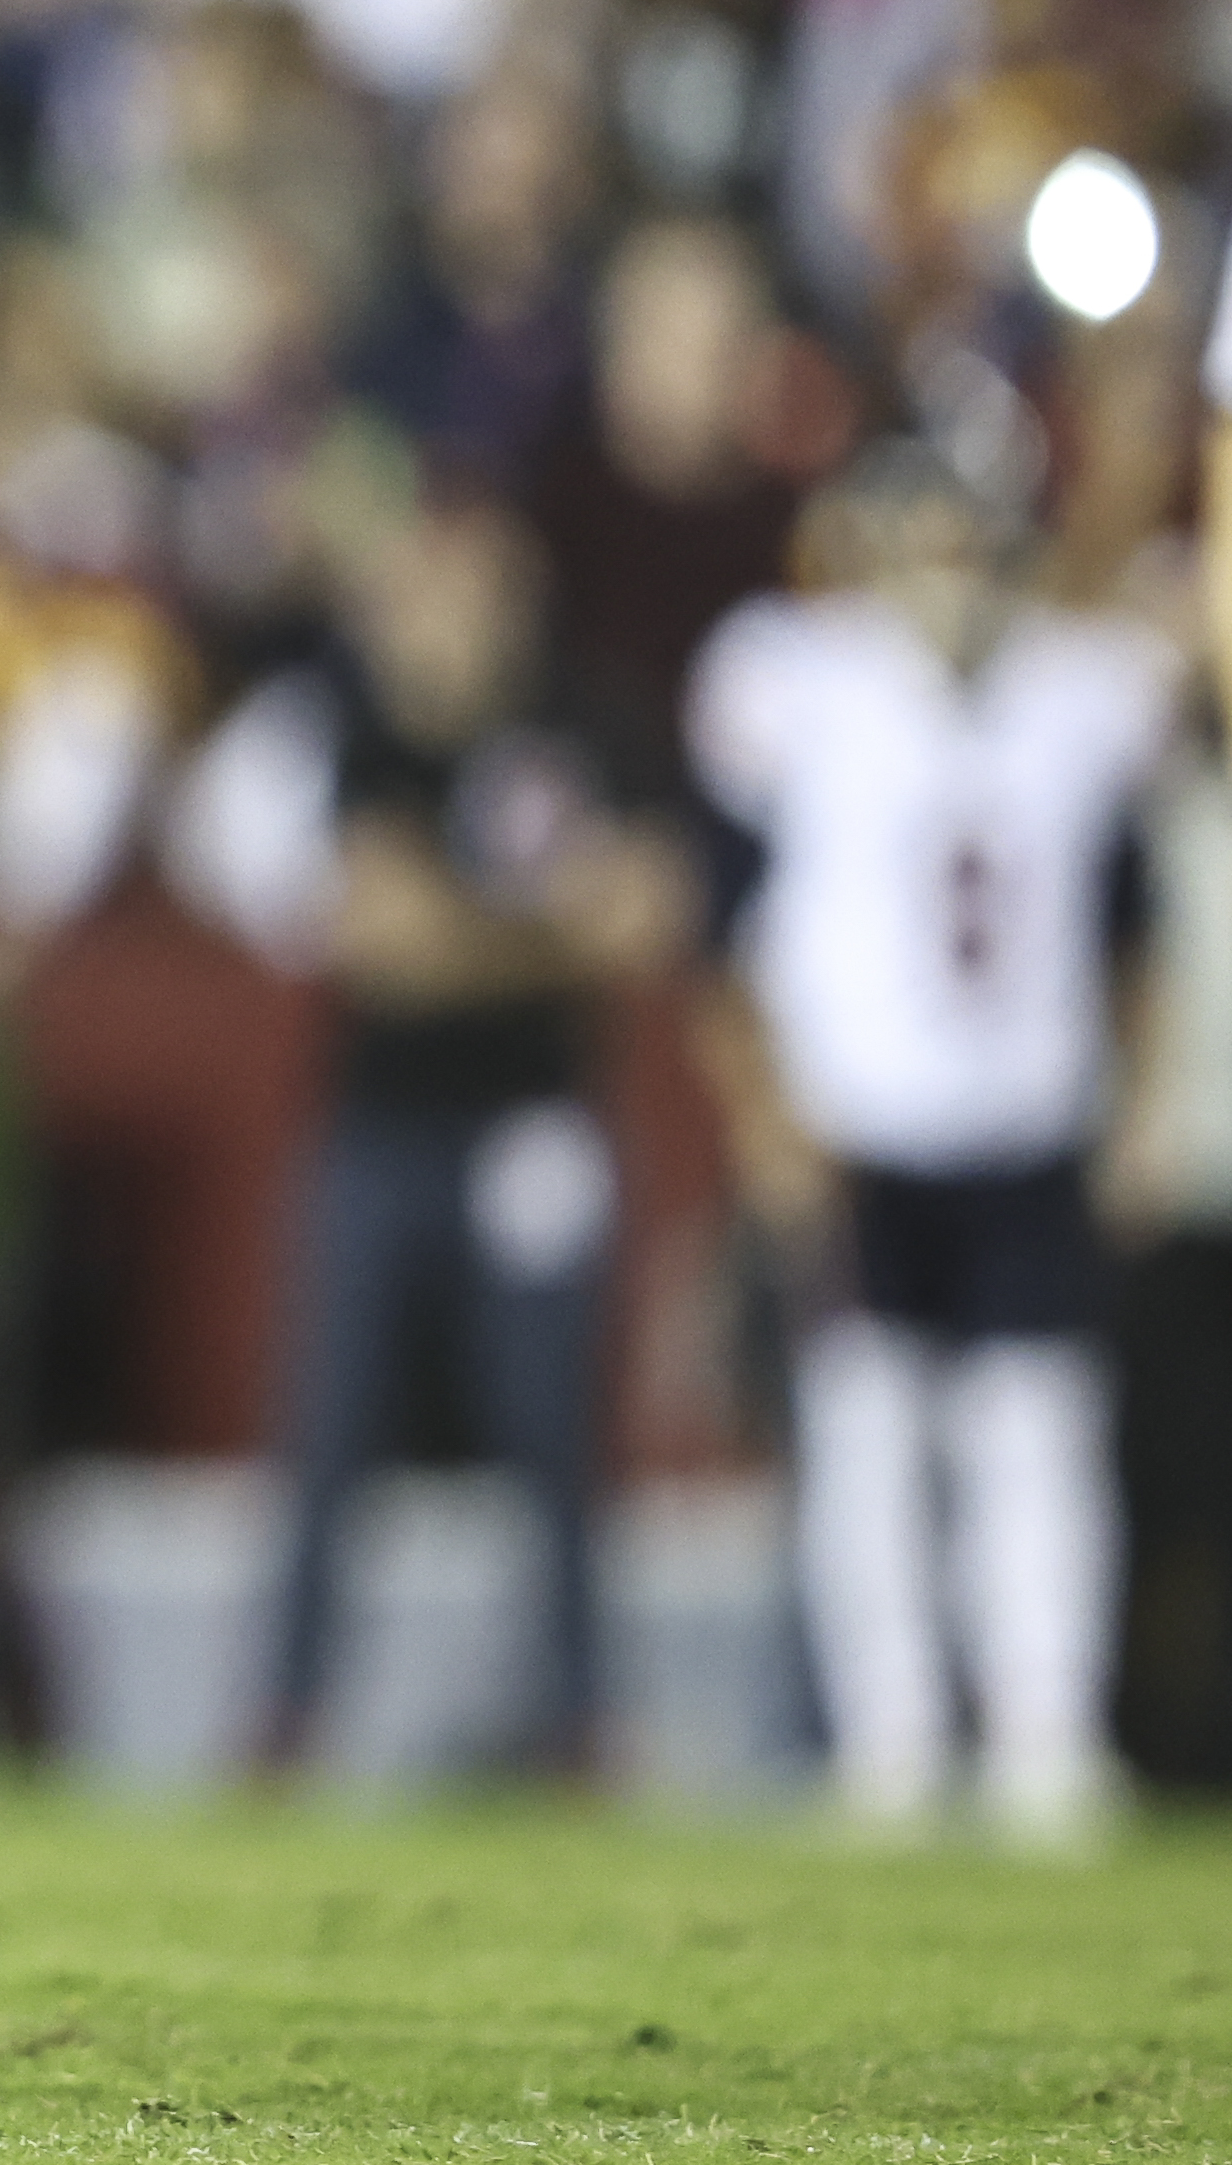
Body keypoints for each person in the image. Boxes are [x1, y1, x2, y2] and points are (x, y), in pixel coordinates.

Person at [695, 444, 1175, 1844]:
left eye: (968, 531)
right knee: (866, 1434)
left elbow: (1128, 931)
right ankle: (889, 1739)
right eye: (921, 529)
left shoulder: (1087, 690)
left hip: (1027, 1113)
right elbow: (717, 929)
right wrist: (762, 1111)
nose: (945, 562)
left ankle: (1041, 1732)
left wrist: (1134, 1106)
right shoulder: (793, 679)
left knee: (1036, 1436)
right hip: (858, 1119)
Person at [169, 497, 690, 1782]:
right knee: (330, 1431)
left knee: (554, 1439)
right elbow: (385, 944)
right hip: (383, 1124)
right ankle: (286, 1718)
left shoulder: (585, 723)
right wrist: (544, 932)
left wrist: (483, 934)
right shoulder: (360, 732)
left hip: (534, 1127)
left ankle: (574, 1721)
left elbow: (648, 915)